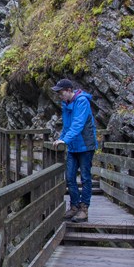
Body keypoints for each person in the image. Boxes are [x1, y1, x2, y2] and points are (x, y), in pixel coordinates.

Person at [52, 79, 97, 223]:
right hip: (73, 147)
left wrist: (65, 140)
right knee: (70, 177)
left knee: (85, 177)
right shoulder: (66, 105)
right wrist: (61, 138)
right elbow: (67, 126)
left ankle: (84, 209)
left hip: (85, 146)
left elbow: (78, 123)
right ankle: (74, 206)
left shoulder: (82, 101)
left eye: (61, 92)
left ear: (69, 90)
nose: (60, 95)